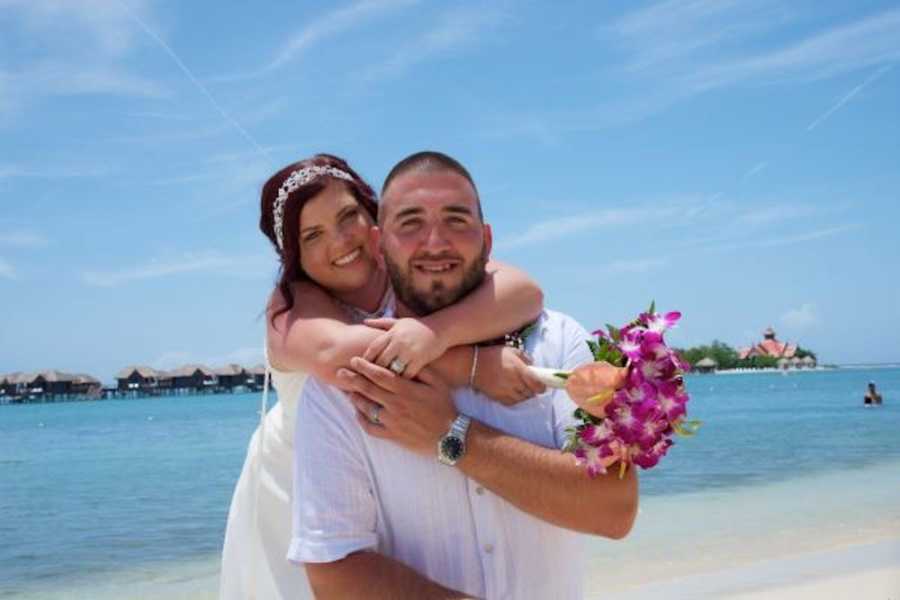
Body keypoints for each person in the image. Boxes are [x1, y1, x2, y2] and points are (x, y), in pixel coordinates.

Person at [290, 151, 639, 599]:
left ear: (487, 239)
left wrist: (452, 436)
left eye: (456, 220)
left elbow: (613, 510)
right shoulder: (348, 380)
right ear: (379, 245)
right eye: (410, 222)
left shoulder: (558, 343)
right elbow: (333, 571)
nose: (435, 243)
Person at [219, 154, 549, 600]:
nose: (340, 242)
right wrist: (475, 365)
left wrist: (437, 332)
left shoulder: (408, 266)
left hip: (395, 474)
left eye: (348, 216)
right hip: (300, 489)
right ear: (293, 254)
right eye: (313, 235)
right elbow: (341, 355)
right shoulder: (292, 305)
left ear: (373, 214)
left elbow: (524, 293)